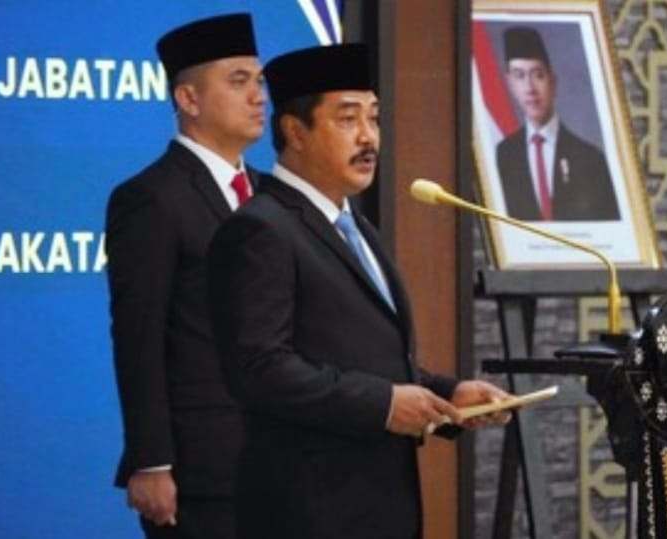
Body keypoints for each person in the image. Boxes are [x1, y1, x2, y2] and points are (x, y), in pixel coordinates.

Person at [207, 43, 511, 539]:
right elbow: (260, 369)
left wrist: (448, 393)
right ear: (294, 132)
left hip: (380, 504)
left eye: (374, 118)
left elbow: (363, 357)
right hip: (309, 510)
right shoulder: (261, 230)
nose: (368, 137)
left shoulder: (356, 227)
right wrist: (384, 405)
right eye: (348, 119)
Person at [104, 13, 265, 538]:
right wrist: (151, 460)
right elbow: (139, 334)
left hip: (282, 461)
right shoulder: (151, 198)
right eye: (238, 81)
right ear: (188, 99)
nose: (258, 97)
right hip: (201, 471)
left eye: (259, 81)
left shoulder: (274, 196)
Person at [496, 26, 620, 221]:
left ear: (552, 82)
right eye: (519, 76)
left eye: (538, 75)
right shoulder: (503, 155)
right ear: (510, 84)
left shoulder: (590, 159)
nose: (530, 88)